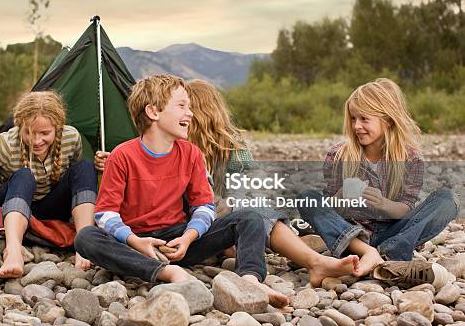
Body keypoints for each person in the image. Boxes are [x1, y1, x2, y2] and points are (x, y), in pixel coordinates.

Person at [81, 75, 358, 308]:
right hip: (138, 243)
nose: (189, 113)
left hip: (179, 240)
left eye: (190, 106)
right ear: (153, 112)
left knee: (248, 217)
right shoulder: (122, 155)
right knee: (86, 237)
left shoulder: (190, 154)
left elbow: (203, 206)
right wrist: (135, 241)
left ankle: (249, 279)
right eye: (181, 106)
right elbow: (105, 212)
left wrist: (189, 237)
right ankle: (166, 273)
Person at [298, 78, 458, 277]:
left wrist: (383, 204)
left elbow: (405, 208)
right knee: (307, 197)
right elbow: (330, 209)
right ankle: (369, 253)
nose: (357, 126)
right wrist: (339, 198)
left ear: (388, 120)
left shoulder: (410, 158)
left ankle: (388, 252)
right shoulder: (338, 155)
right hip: (351, 233)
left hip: (392, 232)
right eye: (353, 119)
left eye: (364, 119)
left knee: (447, 200)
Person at [0, 91, 97, 279]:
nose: (37, 141)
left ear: (58, 126)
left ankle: (84, 244)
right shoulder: (6, 144)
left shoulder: (71, 138)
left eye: (45, 133)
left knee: (85, 166)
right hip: (10, 203)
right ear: (19, 126)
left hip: (47, 207)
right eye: (29, 132)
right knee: (24, 174)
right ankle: (13, 251)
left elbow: (76, 179)